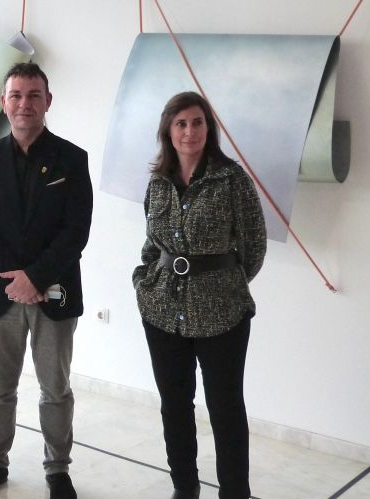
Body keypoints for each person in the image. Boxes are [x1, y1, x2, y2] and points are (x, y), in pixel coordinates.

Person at [0, 63, 93, 499]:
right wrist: (16, 281)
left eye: (34, 95)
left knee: (56, 389)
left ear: (47, 101)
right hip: (0, 293)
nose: (24, 104)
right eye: (16, 95)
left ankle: (58, 469)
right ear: (4, 103)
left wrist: (35, 277)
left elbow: (76, 231)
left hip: (54, 292)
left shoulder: (72, 159)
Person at [132, 91, 267, 499]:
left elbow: (254, 247)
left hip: (222, 315)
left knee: (226, 410)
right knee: (174, 406)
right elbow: (152, 244)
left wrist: (222, 285)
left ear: (209, 128)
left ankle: (234, 493)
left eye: (197, 122)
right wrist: (143, 281)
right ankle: (184, 487)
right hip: (162, 311)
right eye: (181, 123)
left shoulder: (232, 180)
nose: (190, 131)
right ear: (168, 131)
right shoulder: (158, 182)